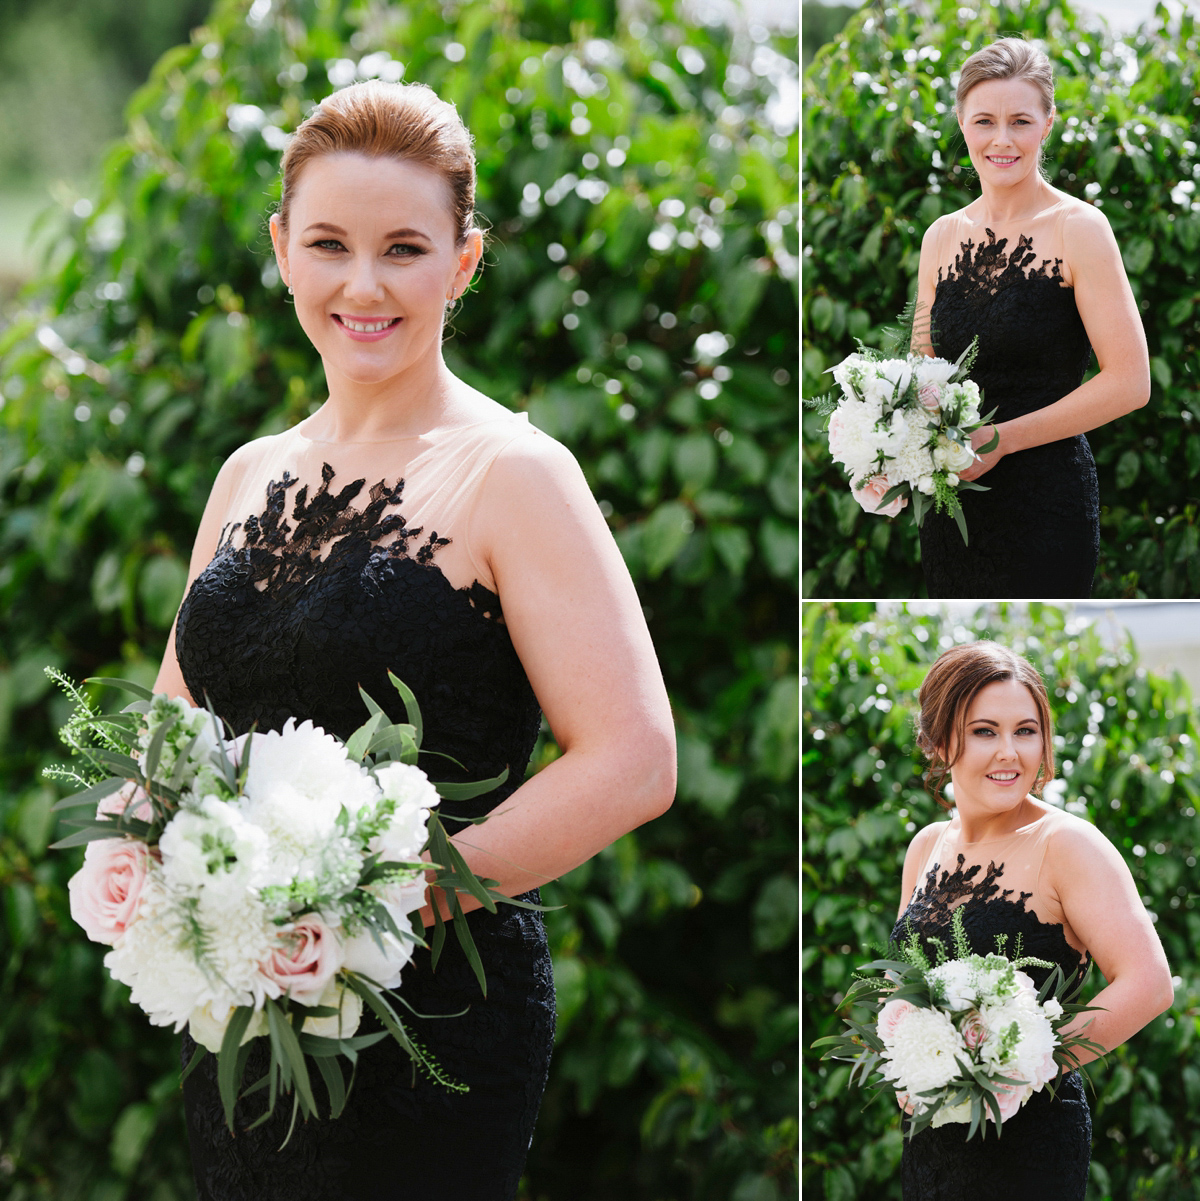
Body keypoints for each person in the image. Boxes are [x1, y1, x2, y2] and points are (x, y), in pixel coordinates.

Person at [151, 80, 677, 1201]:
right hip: (246, 1008)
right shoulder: (247, 474)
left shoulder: (518, 474)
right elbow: (171, 737)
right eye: (330, 244)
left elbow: (633, 759)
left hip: (435, 1015)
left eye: (404, 248)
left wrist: (372, 894)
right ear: (283, 250)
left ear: (464, 261)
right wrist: (160, 871)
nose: (363, 284)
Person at [894, 640, 1172, 1199]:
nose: (1010, 753)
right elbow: (909, 980)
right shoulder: (926, 847)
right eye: (984, 731)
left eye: (1026, 731)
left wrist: (1015, 1065)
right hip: (931, 1144)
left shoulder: (1068, 845)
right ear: (941, 738)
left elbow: (1149, 985)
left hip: (1028, 1146)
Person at [912, 38, 1150, 598]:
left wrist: (1004, 441)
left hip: (1047, 502)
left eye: (1020, 120)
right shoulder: (940, 237)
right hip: (952, 505)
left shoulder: (1080, 228)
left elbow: (1130, 382)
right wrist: (890, 440)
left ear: (1047, 123)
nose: (1001, 139)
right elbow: (921, 366)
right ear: (962, 124)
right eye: (984, 121)